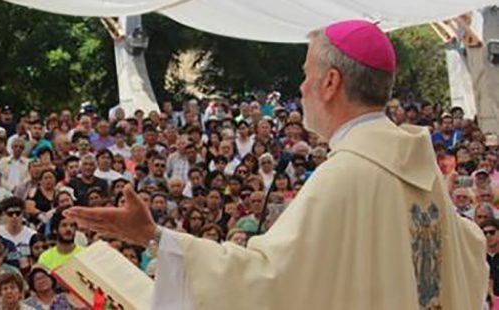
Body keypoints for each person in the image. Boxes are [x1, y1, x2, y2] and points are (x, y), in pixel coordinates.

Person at [66, 20, 488, 309]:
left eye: (305, 74)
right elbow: (470, 250)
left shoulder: (345, 175)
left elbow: (267, 280)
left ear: (330, 82)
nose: (301, 86)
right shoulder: (418, 164)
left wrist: (154, 236)